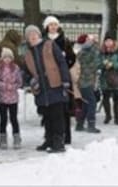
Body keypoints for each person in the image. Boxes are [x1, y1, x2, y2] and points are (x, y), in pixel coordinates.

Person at [24, 25, 71, 153]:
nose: (32, 37)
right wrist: (31, 81)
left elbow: (61, 62)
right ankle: (49, 139)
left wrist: (65, 80)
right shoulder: (28, 53)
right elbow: (26, 72)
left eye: (34, 34)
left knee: (57, 115)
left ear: (39, 35)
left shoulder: (50, 45)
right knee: (46, 116)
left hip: (55, 85)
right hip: (41, 90)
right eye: (29, 35)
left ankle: (58, 142)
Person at [42, 16, 76, 144]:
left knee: (63, 108)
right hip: (48, 79)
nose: (53, 27)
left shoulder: (65, 41)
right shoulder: (43, 41)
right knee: (49, 108)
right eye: (50, 24)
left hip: (62, 78)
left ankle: (65, 136)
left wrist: (65, 62)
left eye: (55, 24)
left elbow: (72, 58)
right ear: (46, 27)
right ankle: (49, 137)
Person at [0, 47, 23, 149]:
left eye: (9, 57)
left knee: (14, 118)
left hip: (13, 97)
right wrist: (4, 85)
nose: (7, 59)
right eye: (5, 57)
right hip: (1, 98)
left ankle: (17, 137)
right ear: (1, 58)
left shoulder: (16, 68)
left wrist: (13, 86)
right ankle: (3, 138)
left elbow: (20, 81)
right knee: (3, 119)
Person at [76, 34, 101, 133]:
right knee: (91, 102)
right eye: (88, 39)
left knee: (86, 103)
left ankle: (80, 124)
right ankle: (91, 124)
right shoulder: (89, 51)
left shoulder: (81, 52)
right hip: (87, 80)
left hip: (83, 81)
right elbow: (96, 64)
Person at [99, 32, 118, 125]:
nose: (108, 42)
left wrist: (113, 65)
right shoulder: (101, 52)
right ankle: (108, 116)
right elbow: (97, 64)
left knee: (116, 99)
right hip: (104, 79)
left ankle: (117, 118)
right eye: (106, 41)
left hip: (116, 79)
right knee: (105, 98)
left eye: (110, 40)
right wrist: (103, 64)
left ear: (114, 42)